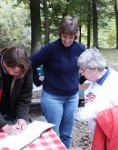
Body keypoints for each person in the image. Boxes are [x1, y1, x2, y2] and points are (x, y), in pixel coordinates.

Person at [30, 15, 86, 148]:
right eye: (64, 36)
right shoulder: (51, 49)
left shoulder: (81, 49)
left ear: (75, 36)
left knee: (66, 134)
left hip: (72, 98)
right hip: (52, 98)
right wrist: (38, 78)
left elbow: (88, 66)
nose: (67, 40)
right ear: (60, 33)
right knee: (53, 134)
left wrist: (81, 80)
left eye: (70, 37)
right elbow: (32, 62)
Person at [75, 48, 118, 147]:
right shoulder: (89, 81)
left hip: (117, 140)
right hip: (100, 136)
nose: (81, 74)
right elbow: (81, 101)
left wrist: (102, 119)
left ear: (95, 68)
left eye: (83, 70)